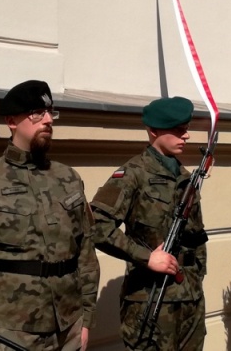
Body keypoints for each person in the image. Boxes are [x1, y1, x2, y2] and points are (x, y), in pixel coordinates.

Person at [0, 80, 100, 351]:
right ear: (12, 121)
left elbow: (86, 251)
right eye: (37, 113)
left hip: (68, 324)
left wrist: (86, 319)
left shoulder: (68, 178)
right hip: (10, 330)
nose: (48, 120)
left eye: (51, 113)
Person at [90, 97, 208, 350]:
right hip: (151, 300)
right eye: (178, 130)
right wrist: (145, 257)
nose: (185, 136)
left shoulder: (187, 178)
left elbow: (196, 236)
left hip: (189, 299)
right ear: (154, 131)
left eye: (186, 129)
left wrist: (196, 277)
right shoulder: (133, 174)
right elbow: (96, 226)